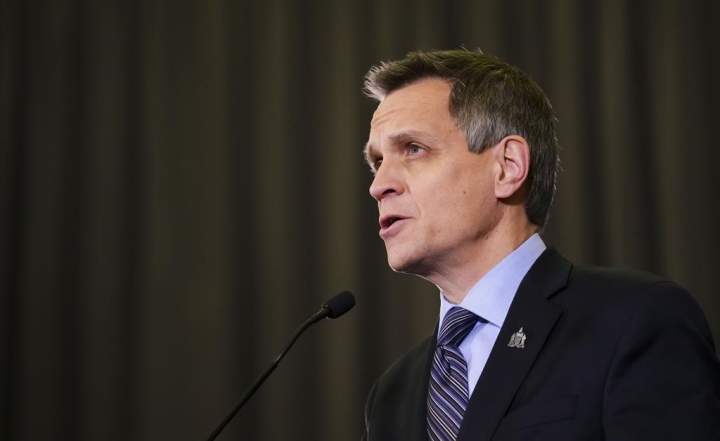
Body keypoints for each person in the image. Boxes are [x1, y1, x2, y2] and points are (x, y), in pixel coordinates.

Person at [360, 49, 720, 441]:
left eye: (413, 149)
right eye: (377, 162)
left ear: (508, 167)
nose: (379, 186)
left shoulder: (634, 321)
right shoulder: (391, 395)